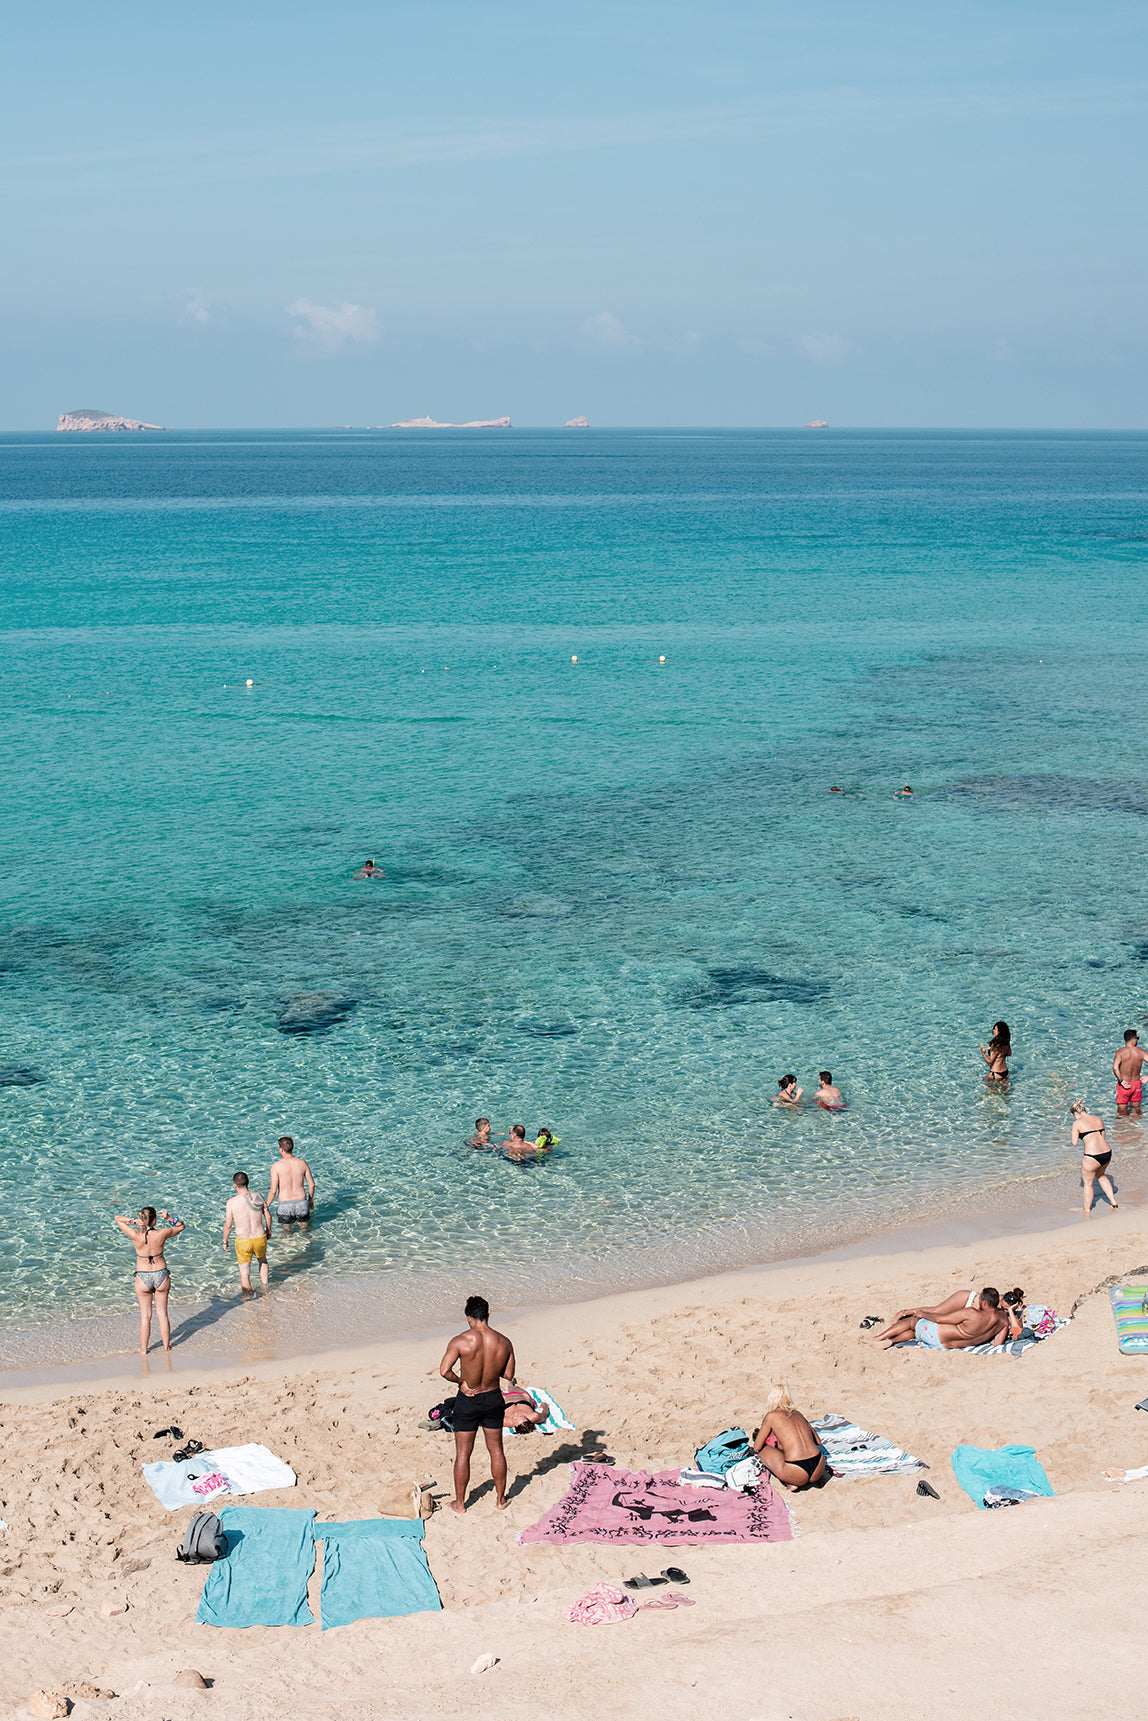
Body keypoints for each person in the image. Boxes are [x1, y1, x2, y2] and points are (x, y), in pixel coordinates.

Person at [438, 1295, 516, 1512]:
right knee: (496, 1450)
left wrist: (462, 1382)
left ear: (468, 1317)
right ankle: (500, 1500)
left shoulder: (460, 1341)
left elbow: (444, 1371)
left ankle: (460, 1504)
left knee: (463, 1452)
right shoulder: (504, 1341)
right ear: (488, 1315)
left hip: (468, 1399)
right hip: (493, 1398)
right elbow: (508, 1374)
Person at [114, 1206, 185, 1357]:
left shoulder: (135, 1235)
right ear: (154, 1220)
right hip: (161, 1275)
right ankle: (166, 1348)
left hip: (143, 1276)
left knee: (145, 1316)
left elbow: (117, 1218)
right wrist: (169, 1218)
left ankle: (143, 1350)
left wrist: (133, 1221)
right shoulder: (162, 1233)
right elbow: (181, 1226)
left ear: (142, 1219)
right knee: (162, 1314)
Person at [872, 1287, 1008, 1350]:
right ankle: (892, 1341)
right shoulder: (1003, 1321)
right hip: (943, 1346)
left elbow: (940, 1319)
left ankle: (878, 1338)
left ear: (984, 1303)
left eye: (980, 1299)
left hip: (936, 1335)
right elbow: (997, 1344)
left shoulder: (972, 1313)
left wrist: (922, 1314)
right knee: (915, 1333)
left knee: (912, 1322)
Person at [752, 1384, 827, 1490]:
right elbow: (818, 1441)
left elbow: (757, 1447)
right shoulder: (798, 1414)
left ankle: (792, 1482)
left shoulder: (771, 1416)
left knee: (763, 1451)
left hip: (796, 1470)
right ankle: (806, 1480)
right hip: (818, 1465)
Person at [223, 1172, 271, 1290]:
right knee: (263, 1261)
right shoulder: (258, 1196)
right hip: (259, 1236)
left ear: (235, 1186)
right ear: (248, 1182)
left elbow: (228, 1225)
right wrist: (268, 1230)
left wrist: (225, 1240)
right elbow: (268, 1216)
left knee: (244, 1272)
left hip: (243, 1241)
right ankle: (265, 1287)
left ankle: (247, 1300)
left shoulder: (231, 1202)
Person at [1070, 1099, 1118, 1217]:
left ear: (1076, 1114)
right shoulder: (1098, 1119)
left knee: (1088, 1184)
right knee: (1101, 1176)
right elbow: (1103, 1137)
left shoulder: (1077, 1123)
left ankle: (1087, 1209)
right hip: (1107, 1153)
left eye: (1074, 1116)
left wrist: (1074, 1131)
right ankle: (1113, 1201)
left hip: (1092, 1156)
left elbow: (1074, 1143)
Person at [268, 1135, 315, 1227]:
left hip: (285, 1205)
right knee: (305, 1231)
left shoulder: (276, 1166)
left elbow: (273, 1191)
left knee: (286, 1235)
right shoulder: (302, 1163)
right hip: (301, 1203)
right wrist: (310, 1201)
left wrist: (267, 1205)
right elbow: (312, 1184)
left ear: (281, 1149)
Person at [1113, 1030, 1146, 1113]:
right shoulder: (1141, 1052)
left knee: (1122, 1110)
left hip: (1124, 1085)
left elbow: (1115, 1068)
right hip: (1136, 1084)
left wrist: (1121, 1081)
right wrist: (1147, 1077)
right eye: (1137, 1038)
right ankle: (1136, 1125)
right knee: (1136, 1109)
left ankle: (1124, 1126)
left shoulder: (1120, 1052)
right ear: (1134, 1038)